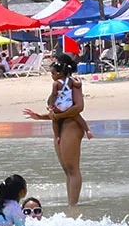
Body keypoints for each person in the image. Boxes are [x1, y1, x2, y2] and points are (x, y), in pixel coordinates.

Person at [23, 55, 86, 206]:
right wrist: (40, 116)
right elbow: (56, 112)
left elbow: (79, 107)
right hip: (59, 125)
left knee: (73, 169)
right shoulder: (57, 85)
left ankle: (73, 206)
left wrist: (58, 116)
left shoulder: (73, 83)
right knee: (67, 170)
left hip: (71, 125)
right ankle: (71, 204)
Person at [48, 60, 92, 143]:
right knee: (77, 117)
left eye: (53, 74)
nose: (52, 76)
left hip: (60, 106)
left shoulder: (56, 83)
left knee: (55, 120)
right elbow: (78, 84)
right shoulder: (70, 81)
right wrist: (78, 80)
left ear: (59, 73)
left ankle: (57, 136)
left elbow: (54, 95)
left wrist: (51, 106)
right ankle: (87, 130)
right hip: (69, 104)